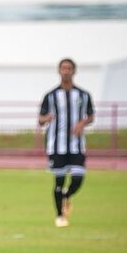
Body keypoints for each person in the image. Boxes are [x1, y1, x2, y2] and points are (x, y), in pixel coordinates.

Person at [38, 58, 94, 227]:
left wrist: (81, 123)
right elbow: (40, 119)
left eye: (69, 68)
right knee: (59, 180)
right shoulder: (50, 95)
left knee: (78, 178)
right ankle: (60, 216)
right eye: (63, 68)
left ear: (74, 71)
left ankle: (66, 196)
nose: (66, 71)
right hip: (57, 145)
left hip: (76, 144)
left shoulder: (83, 95)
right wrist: (45, 118)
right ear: (59, 71)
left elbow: (91, 116)